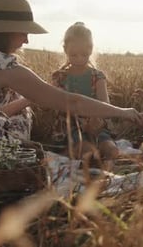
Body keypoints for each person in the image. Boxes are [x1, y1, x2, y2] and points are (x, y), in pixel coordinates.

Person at [0, 0, 142, 152]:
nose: (27, 40)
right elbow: (71, 102)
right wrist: (122, 112)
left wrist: (29, 99)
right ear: (6, 31)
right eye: (24, 32)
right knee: (54, 167)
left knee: (20, 98)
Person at [50, 22, 118, 168]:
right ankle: (69, 152)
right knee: (87, 152)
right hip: (70, 126)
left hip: (96, 125)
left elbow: (105, 103)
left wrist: (95, 120)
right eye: (74, 55)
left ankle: (105, 170)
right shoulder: (59, 77)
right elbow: (54, 102)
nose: (79, 59)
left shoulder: (97, 76)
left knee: (112, 150)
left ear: (91, 50)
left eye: (84, 55)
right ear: (65, 50)